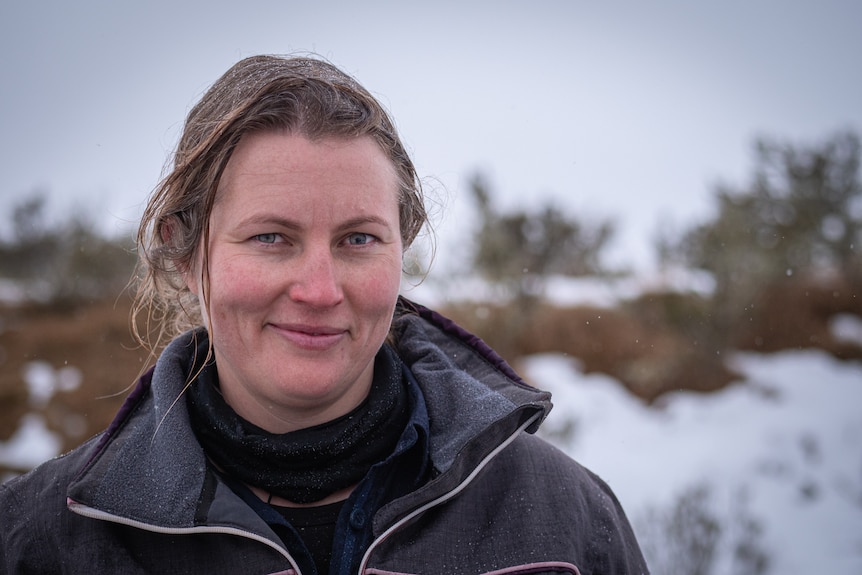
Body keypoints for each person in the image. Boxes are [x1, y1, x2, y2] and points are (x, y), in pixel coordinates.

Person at [0, 54, 649, 574]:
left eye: (358, 239)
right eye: (271, 237)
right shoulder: (43, 540)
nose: (319, 288)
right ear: (183, 255)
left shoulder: (560, 520)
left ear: (404, 247)